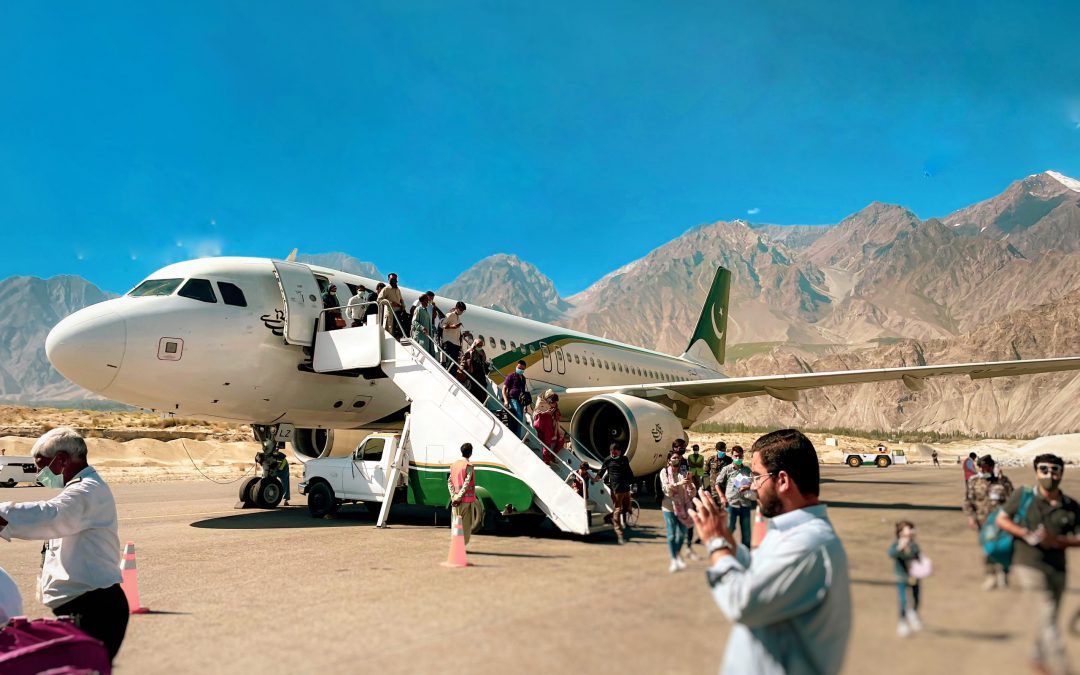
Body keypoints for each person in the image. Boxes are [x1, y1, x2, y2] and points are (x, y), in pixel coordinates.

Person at [690, 428, 852, 674]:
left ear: (783, 480)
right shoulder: (790, 531)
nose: (752, 487)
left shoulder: (808, 544)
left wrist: (715, 543)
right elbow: (760, 573)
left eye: (757, 477)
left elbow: (741, 602)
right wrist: (728, 541)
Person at [0, 428, 129, 660]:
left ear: (61, 460)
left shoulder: (87, 490)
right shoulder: (80, 488)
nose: (39, 474)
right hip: (84, 607)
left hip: (93, 609)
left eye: (42, 466)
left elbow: (48, 515)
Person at [995, 454, 1080, 675]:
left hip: (1057, 567)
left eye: (1054, 470)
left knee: (1048, 616)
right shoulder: (1023, 497)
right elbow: (1001, 519)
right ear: (1036, 472)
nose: (1049, 475)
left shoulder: (1070, 506)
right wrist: (1023, 532)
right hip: (1029, 564)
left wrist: (1057, 541)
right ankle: (1064, 669)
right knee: (1049, 613)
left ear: (1061, 473)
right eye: (1044, 469)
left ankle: (1036, 655)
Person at [963, 454, 1015, 590]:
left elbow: (1012, 499)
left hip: (1001, 522)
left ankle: (1003, 574)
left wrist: (1002, 480)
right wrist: (970, 517)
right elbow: (968, 501)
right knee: (988, 550)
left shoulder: (1002, 482)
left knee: (1003, 548)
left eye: (986, 467)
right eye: (981, 467)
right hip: (983, 523)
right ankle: (991, 576)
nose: (983, 470)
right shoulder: (973, 482)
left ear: (992, 467)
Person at [887, 520, 923, 638]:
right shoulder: (897, 544)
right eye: (909, 528)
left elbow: (918, 556)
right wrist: (900, 548)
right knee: (903, 600)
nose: (911, 530)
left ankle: (913, 613)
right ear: (901, 532)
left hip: (914, 577)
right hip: (902, 577)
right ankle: (902, 623)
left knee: (916, 598)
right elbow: (891, 554)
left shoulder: (913, 545)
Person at [660, 454, 693, 572]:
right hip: (668, 506)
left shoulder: (683, 474)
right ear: (669, 460)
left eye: (678, 458)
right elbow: (666, 489)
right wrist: (678, 484)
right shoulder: (664, 472)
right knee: (672, 534)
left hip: (683, 507)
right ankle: (673, 559)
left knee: (682, 534)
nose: (676, 460)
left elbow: (692, 493)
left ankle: (678, 555)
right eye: (674, 458)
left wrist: (689, 484)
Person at [716, 445, 754, 547]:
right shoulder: (727, 469)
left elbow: (753, 483)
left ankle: (746, 554)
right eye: (736, 456)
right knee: (729, 528)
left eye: (740, 456)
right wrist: (722, 497)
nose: (738, 458)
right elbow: (717, 484)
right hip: (731, 503)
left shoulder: (747, 470)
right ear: (732, 456)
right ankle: (725, 551)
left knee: (746, 532)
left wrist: (748, 487)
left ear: (743, 456)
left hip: (745, 503)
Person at [597, 444, 635, 545]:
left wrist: (633, 481)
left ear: (620, 451)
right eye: (612, 451)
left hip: (626, 487)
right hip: (616, 489)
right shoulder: (608, 460)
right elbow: (601, 472)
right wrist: (594, 479)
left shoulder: (624, 459)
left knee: (627, 508)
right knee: (618, 509)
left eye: (616, 451)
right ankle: (619, 534)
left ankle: (609, 516)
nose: (613, 453)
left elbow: (628, 470)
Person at [447, 443, 477, 546]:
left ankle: (455, 547)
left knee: (455, 524)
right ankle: (461, 548)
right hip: (466, 502)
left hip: (455, 501)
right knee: (466, 526)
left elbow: (449, 482)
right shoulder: (468, 466)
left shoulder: (454, 465)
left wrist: (453, 496)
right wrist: (459, 497)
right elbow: (466, 483)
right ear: (471, 453)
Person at [532, 391, 563, 464]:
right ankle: (546, 460)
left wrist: (555, 414)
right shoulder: (541, 404)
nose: (554, 404)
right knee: (547, 443)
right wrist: (546, 413)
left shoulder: (555, 409)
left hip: (552, 427)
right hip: (544, 425)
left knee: (561, 440)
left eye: (555, 403)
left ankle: (552, 456)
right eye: (552, 402)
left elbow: (557, 420)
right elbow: (536, 414)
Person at [501, 360, 528, 439]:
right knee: (519, 418)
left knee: (520, 420)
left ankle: (517, 436)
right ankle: (516, 437)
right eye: (519, 367)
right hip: (513, 399)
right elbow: (504, 389)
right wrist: (506, 400)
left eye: (522, 369)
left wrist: (526, 405)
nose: (520, 370)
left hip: (521, 401)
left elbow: (523, 392)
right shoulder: (511, 376)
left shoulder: (523, 378)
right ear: (516, 367)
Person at [461, 336, 490, 403]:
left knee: (483, 389)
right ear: (474, 344)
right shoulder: (470, 351)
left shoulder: (482, 351)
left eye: (481, 345)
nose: (480, 347)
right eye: (478, 345)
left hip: (481, 374)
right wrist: (462, 367)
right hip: (473, 373)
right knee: (474, 389)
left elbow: (484, 360)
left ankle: (483, 403)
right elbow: (464, 360)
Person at [377, 273, 405, 337]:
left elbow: (401, 299)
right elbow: (379, 300)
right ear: (388, 279)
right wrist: (390, 303)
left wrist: (403, 306)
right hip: (390, 313)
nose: (394, 280)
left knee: (398, 331)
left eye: (395, 279)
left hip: (398, 313)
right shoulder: (386, 289)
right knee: (390, 330)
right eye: (392, 279)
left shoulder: (398, 290)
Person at [441, 301, 467, 368]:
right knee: (450, 363)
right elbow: (442, 325)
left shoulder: (458, 317)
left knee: (454, 364)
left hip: (455, 343)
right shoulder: (450, 315)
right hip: (449, 342)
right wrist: (452, 326)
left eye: (463, 311)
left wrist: (462, 334)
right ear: (456, 308)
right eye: (461, 310)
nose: (461, 312)